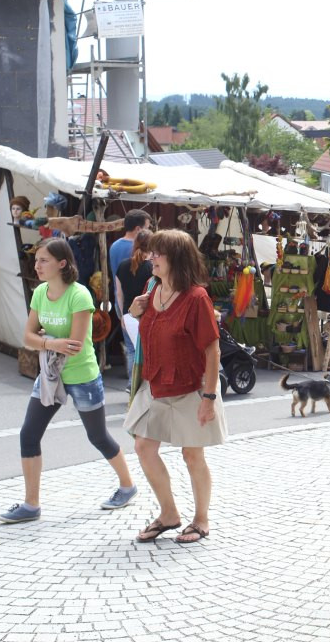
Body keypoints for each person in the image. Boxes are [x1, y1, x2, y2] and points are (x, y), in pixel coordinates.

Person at [0, 238, 137, 523]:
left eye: (43, 260)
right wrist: (51, 343)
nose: (37, 265)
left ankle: (127, 485)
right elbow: (27, 337)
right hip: (50, 375)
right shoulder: (40, 293)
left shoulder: (79, 295)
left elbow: (73, 345)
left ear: (62, 263)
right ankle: (31, 504)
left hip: (82, 375)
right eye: (36, 260)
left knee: (97, 436)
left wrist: (46, 341)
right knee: (28, 435)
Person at [124, 230, 225, 544]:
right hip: (155, 384)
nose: (151, 258)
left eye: (158, 254)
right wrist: (132, 311)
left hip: (190, 388)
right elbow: (143, 325)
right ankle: (169, 514)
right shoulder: (151, 287)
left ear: (176, 259)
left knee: (192, 456)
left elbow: (212, 350)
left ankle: (201, 520)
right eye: (151, 252)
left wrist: (208, 398)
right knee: (143, 447)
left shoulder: (196, 298)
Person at [110, 210, 153, 385]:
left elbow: (118, 291)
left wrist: (121, 314)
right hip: (145, 312)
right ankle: (144, 386)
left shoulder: (114, 248)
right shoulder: (151, 267)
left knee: (131, 350)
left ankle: (132, 384)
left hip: (126, 311)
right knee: (147, 350)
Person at [115, 229, 153, 358]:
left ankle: (132, 379)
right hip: (148, 316)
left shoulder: (122, 266)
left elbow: (119, 294)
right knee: (149, 355)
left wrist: (122, 315)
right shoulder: (153, 267)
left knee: (132, 353)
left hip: (128, 315)